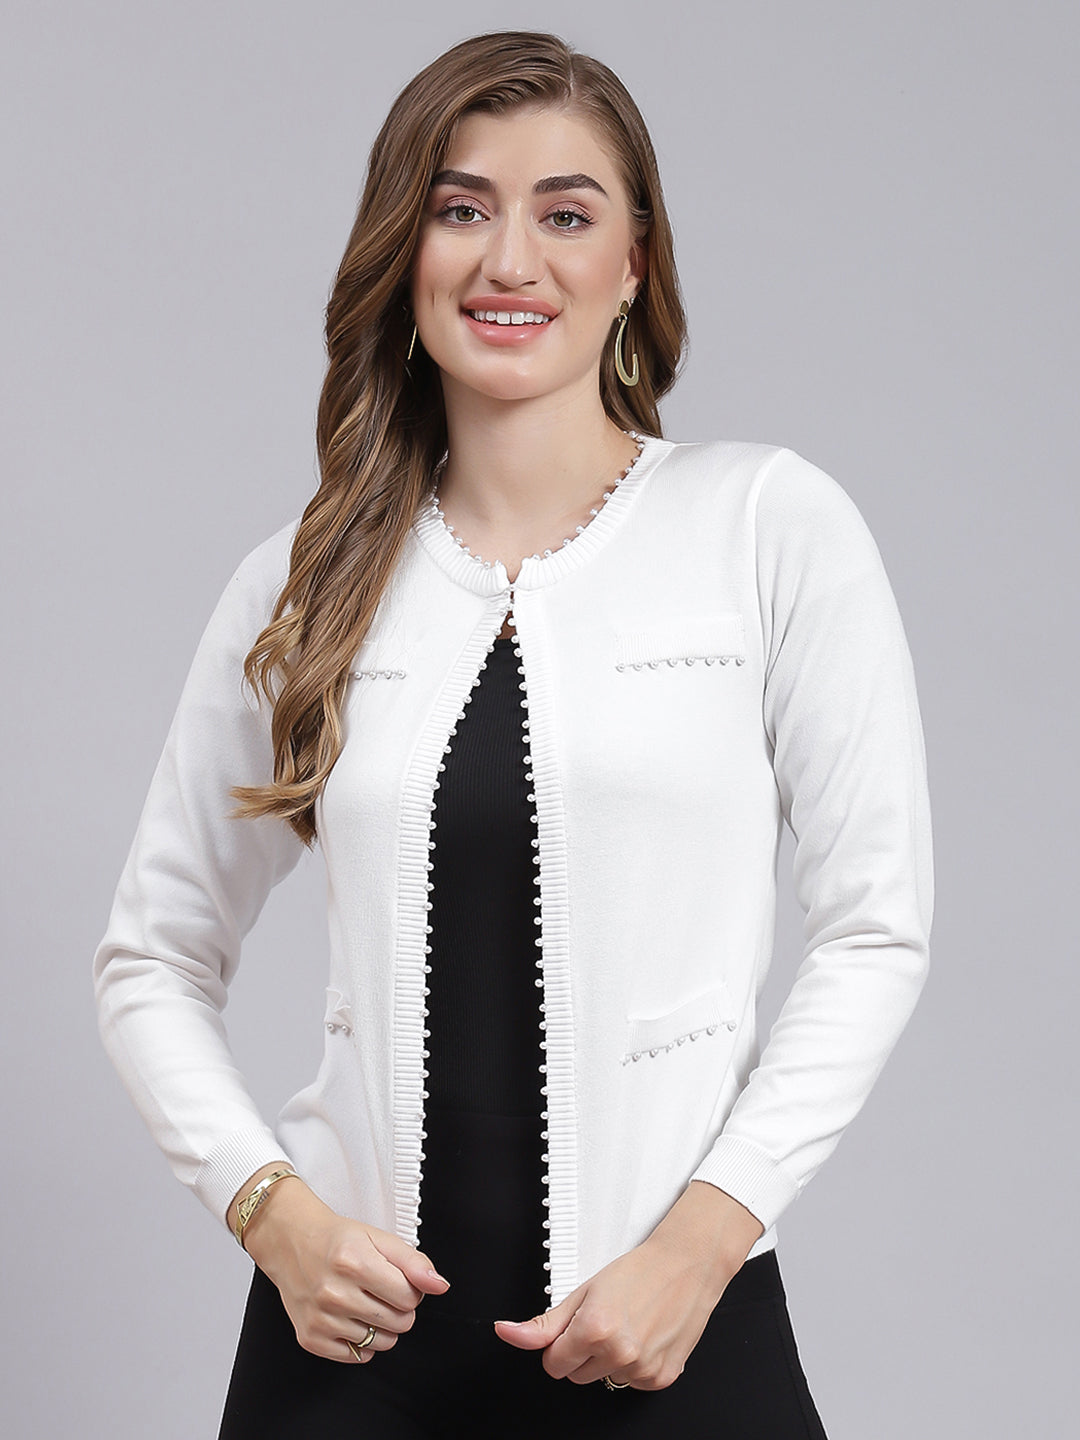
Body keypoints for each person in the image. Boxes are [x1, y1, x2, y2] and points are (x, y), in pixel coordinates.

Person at [92, 29, 933, 1439]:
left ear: (635, 262)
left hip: (670, 1336)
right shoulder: (304, 581)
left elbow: (875, 928)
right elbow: (150, 958)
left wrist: (700, 1247)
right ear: (404, 248)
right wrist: (271, 1211)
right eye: (461, 207)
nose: (509, 261)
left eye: (566, 214)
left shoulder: (766, 530)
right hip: (350, 1365)